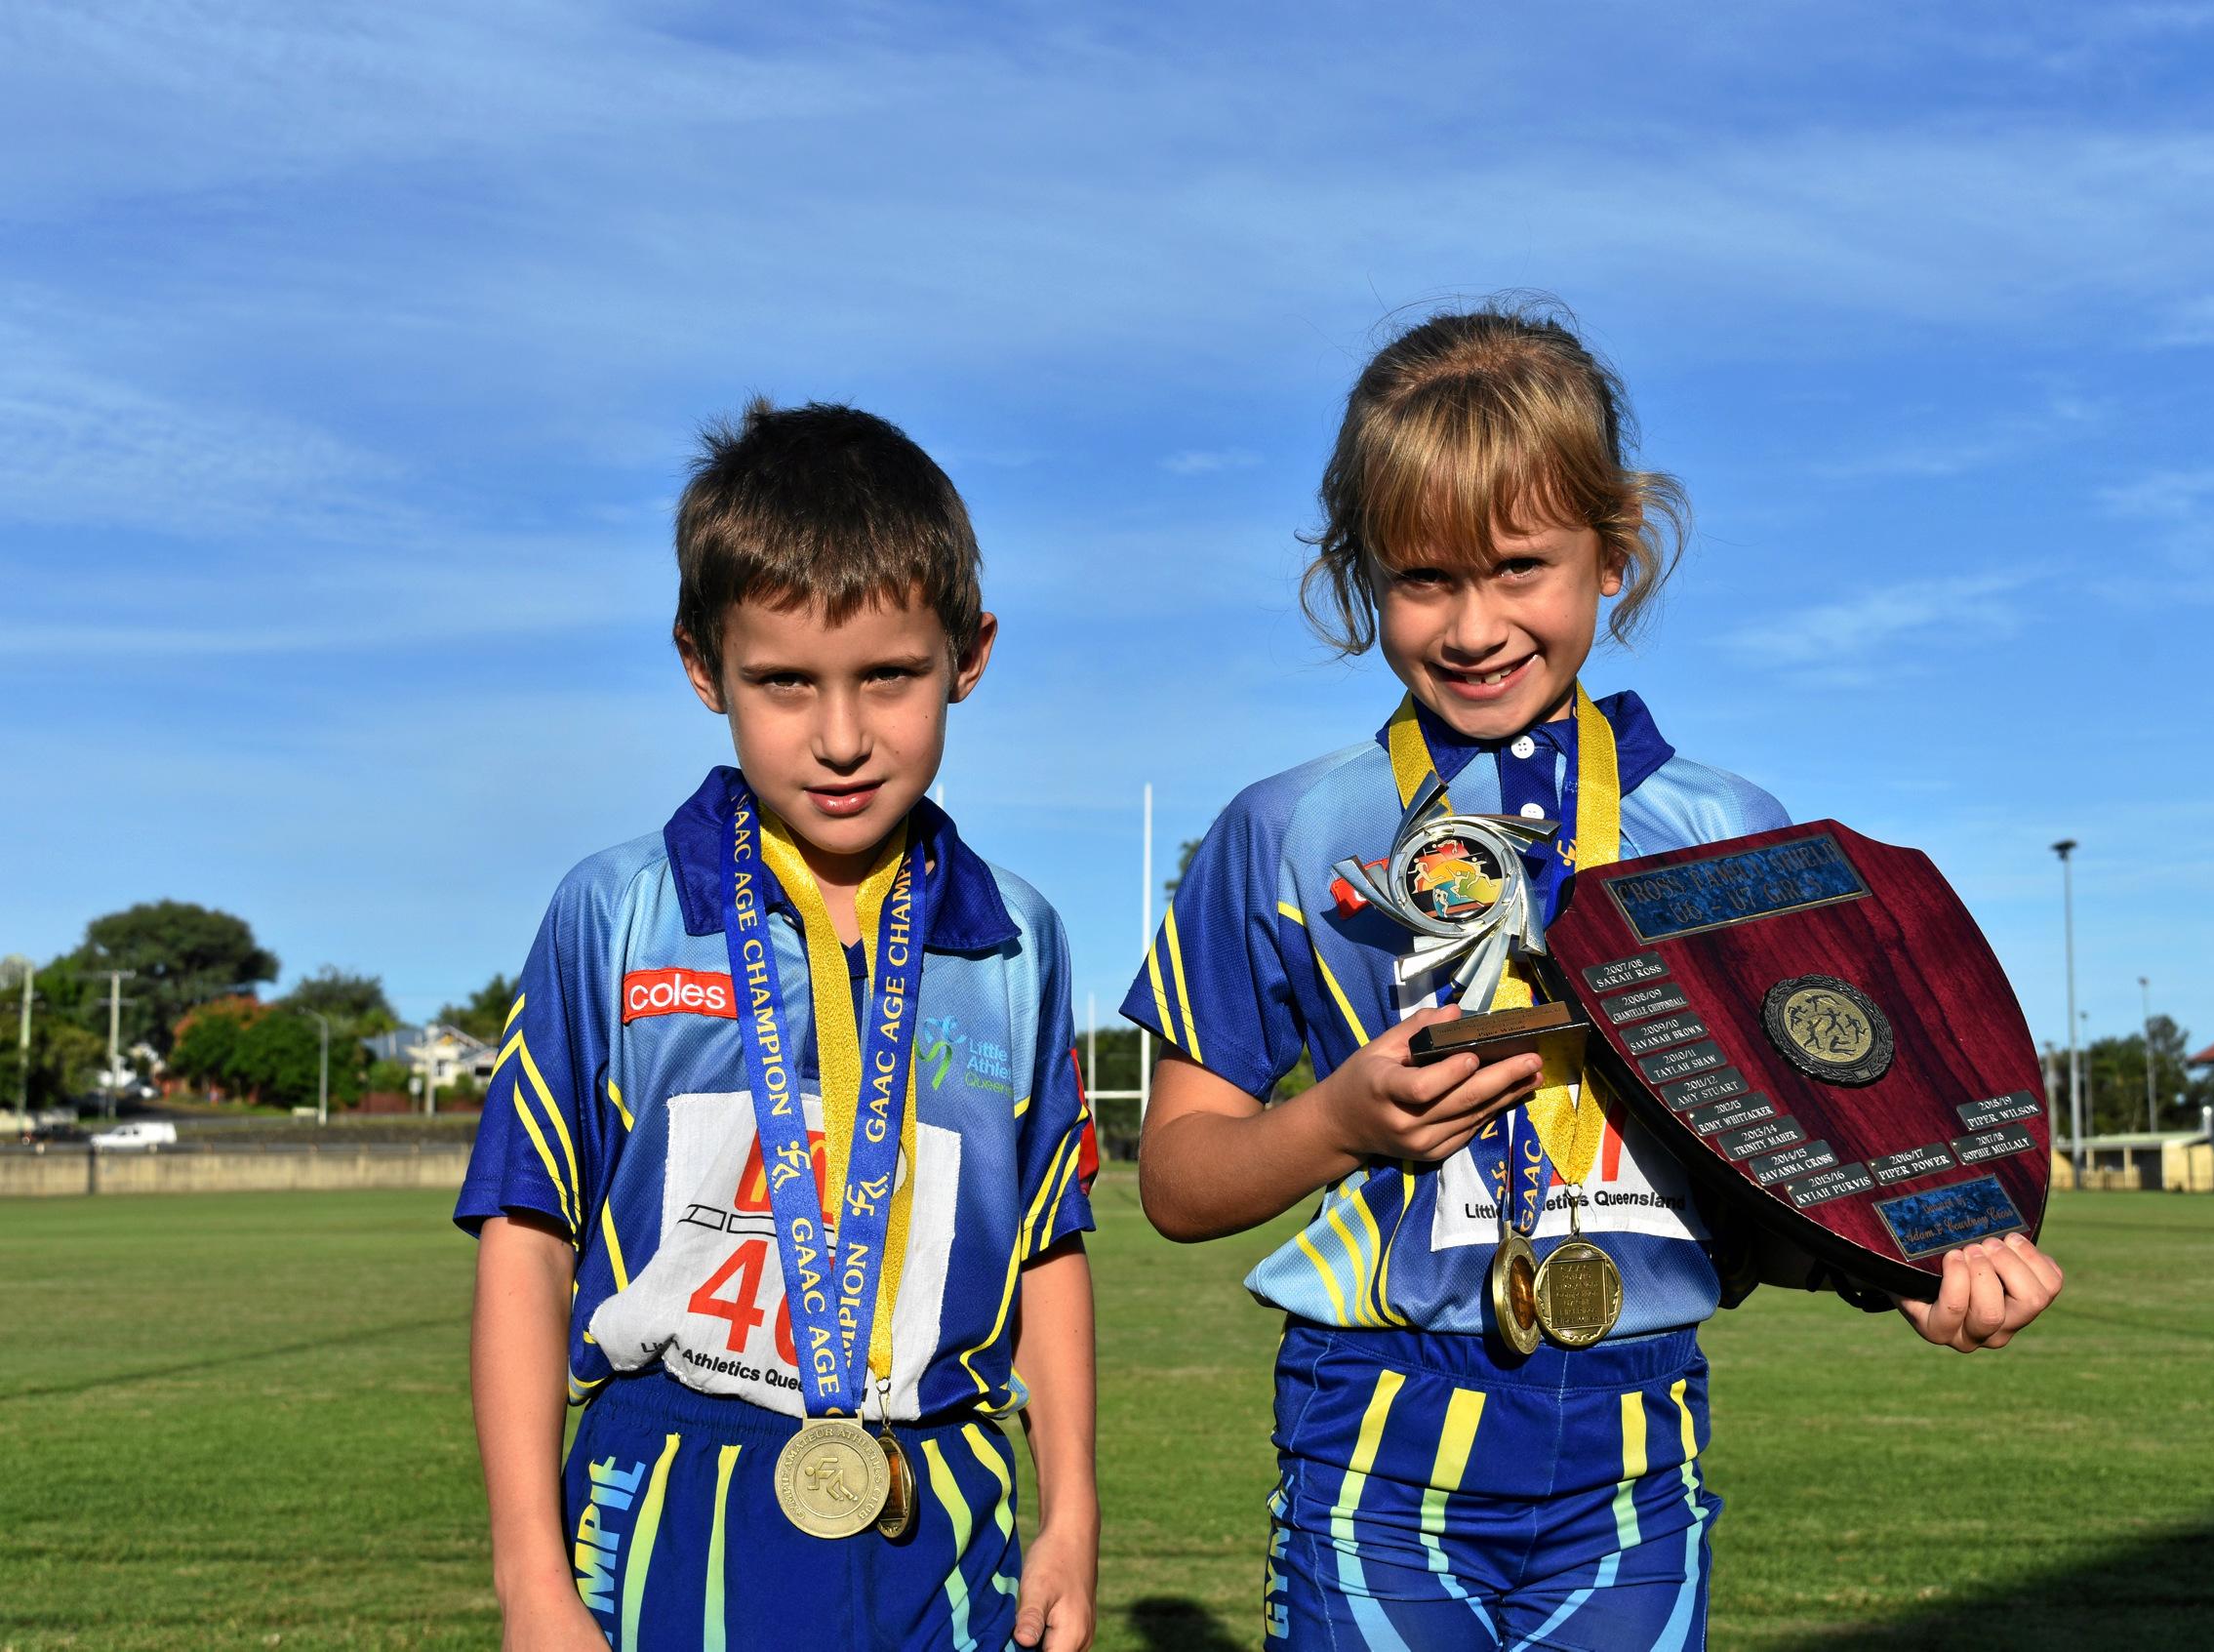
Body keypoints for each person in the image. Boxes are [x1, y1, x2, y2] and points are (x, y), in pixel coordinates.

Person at [1127, 302, 2065, 1652]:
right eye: (1420, 578)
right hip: (1375, 1442)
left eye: (1519, 566)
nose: (1470, 625)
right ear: (1356, 575)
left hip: (1637, 1447)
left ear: (1614, 553)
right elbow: (1176, 1179)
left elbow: (1794, 1159)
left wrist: (1916, 1265)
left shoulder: (1731, 834)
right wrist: (1332, 1123)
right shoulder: (1279, 831)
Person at [461, 400, 1099, 1652]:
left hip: (942, 1499)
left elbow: (1048, 1252)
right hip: (671, 1492)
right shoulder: (618, 913)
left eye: (891, 677)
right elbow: (525, 1241)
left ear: (970, 653)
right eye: (785, 682)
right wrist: (532, 1581)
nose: (844, 736)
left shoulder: (1015, 939)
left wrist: (1071, 1508)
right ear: (704, 667)